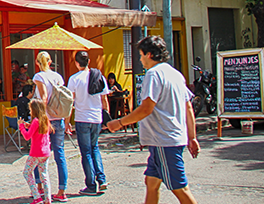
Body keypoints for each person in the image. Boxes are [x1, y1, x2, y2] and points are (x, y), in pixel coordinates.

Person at [107, 36, 199, 204]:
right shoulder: (175, 74)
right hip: (166, 140)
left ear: (149, 54)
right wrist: (192, 137)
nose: (140, 59)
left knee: (180, 189)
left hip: (164, 140)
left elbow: (146, 108)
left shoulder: (154, 74)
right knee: (151, 182)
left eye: (141, 55)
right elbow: (188, 108)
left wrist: (119, 123)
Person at [67, 50, 110, 196]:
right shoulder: (99, 76)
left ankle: (91, 185)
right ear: (89, 61)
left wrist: (67, 121)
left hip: (82, 118)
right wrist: (106, 118)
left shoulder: (74, 79)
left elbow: (70, 102)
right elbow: (104, 100)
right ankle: (102, 179)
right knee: (95, 148)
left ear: (77, 63)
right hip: (96, 118)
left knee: (86, 152)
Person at [33, 51, 69, 202]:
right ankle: (62, 190)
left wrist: (43, 118)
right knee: (60, 154)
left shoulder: (39, 77)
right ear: (50, 62)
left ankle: (40, 187)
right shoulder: (58, 77)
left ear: (37, 63)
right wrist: (67, 121)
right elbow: (64, 98)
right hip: (59, 118)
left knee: (38, 153)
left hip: (45, 120)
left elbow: (44, 98)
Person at [18, 99, 53, 204]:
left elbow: (27, 136)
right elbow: (38, 131)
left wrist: (21, 126)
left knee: (26, 173)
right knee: (44, 175)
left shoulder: (35, 121)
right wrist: (29, 126)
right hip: (46, 152)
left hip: (36, 153)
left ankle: (37, 197)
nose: (29, 111)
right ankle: (48, 199)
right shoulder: (45, 120)